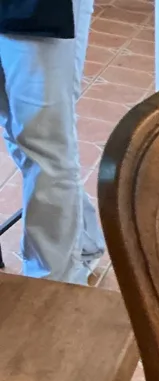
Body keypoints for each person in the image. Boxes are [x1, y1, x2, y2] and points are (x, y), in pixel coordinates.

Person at [0, 0, 104, 283]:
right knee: (15, 129)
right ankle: (82, 241)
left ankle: (54, 283)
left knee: (43, 141)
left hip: (40, 8)